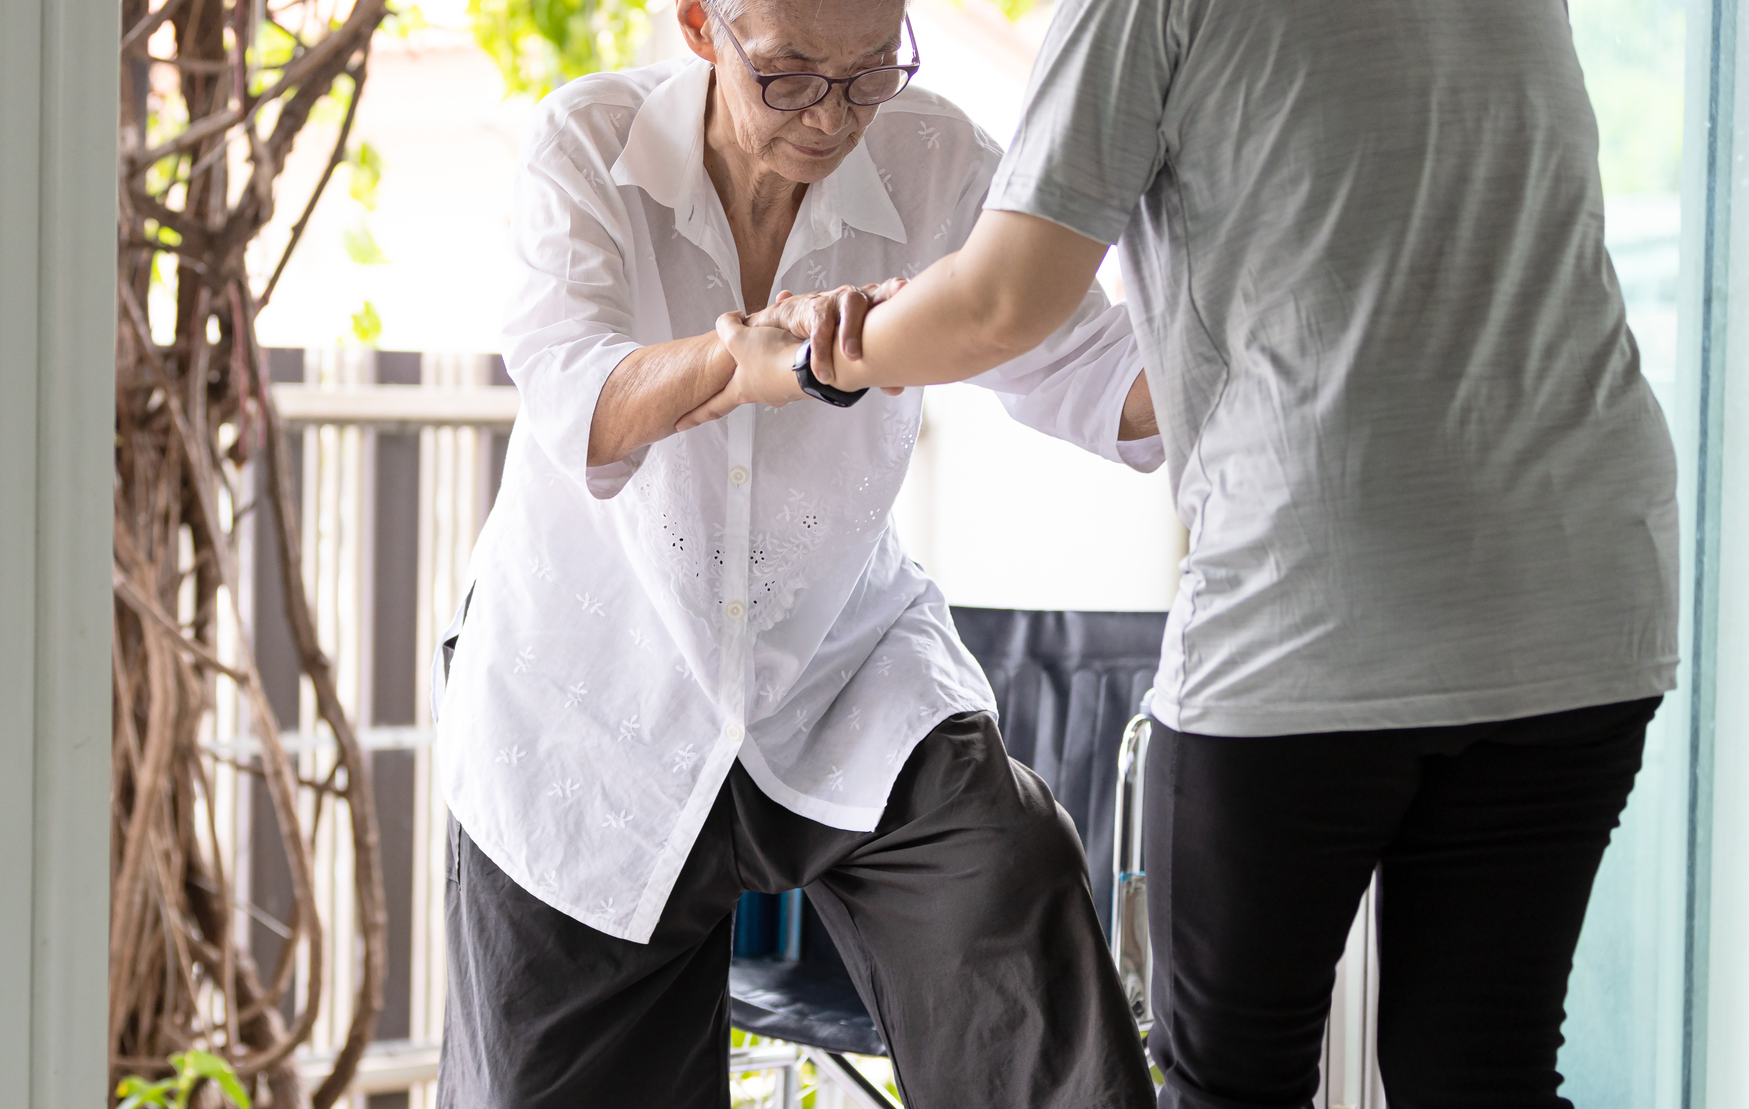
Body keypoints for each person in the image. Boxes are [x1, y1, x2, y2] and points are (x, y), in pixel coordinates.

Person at [710, 2, 1681, 1105]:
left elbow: (1003, 297)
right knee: (1481, 1070)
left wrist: (799, 356)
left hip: (1315, 596)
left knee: (1232, 1084)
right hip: (1582, 575)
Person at [432, 0, 1164, 1104]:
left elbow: (1089, 367)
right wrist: (747, 363)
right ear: (698, 29)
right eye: (788, 78)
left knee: (1008, 881)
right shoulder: (586, 142)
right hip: (589, 698)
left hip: (842, 666)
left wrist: (1281, 371)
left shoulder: (938, 157)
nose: (831, 115)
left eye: (871, 71)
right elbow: (578, 400)